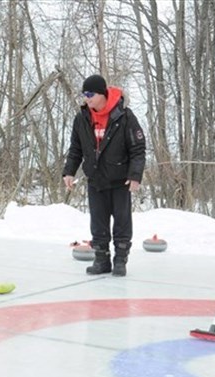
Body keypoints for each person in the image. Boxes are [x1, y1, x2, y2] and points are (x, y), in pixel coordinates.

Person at [62, 74, 146, 277]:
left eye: (90, 94)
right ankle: (101, 260)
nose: (87, 98)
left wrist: (135, 175)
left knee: (122, 222)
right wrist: (69, 171)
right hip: (95, 179)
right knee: (98, 223)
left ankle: (120, 260)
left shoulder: (124, 116)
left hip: (120, 180)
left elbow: (138, 148)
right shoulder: (82, 118)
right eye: (84, 94)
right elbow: (75, 148)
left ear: (102, 94)